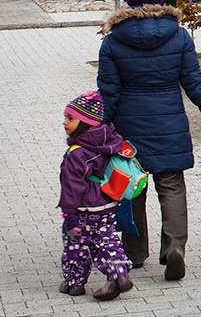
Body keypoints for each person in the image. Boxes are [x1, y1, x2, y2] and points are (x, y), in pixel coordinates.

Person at [97, 0, 201, 280]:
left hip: (128, 129)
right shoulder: (179, 36)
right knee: (171, 186)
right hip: (170, 125)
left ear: (128, 2)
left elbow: (108, 94)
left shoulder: (112, 42)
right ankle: (174, 249)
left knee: (131, 187)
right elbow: (195, 84)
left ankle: (134, 253)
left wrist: (98, 130)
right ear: (161, 0)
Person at [58, 92, 135, 301]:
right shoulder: (107, 141)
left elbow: (72, 187)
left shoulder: (76, 153)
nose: (64, 122)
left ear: (85, 123)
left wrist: (69, 213)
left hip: (83, 208)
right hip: (107, 203)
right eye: (65, 117)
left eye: (70, 118)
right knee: (106, 239)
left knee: (76, 243)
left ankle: (74, 282)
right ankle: (119, 273)